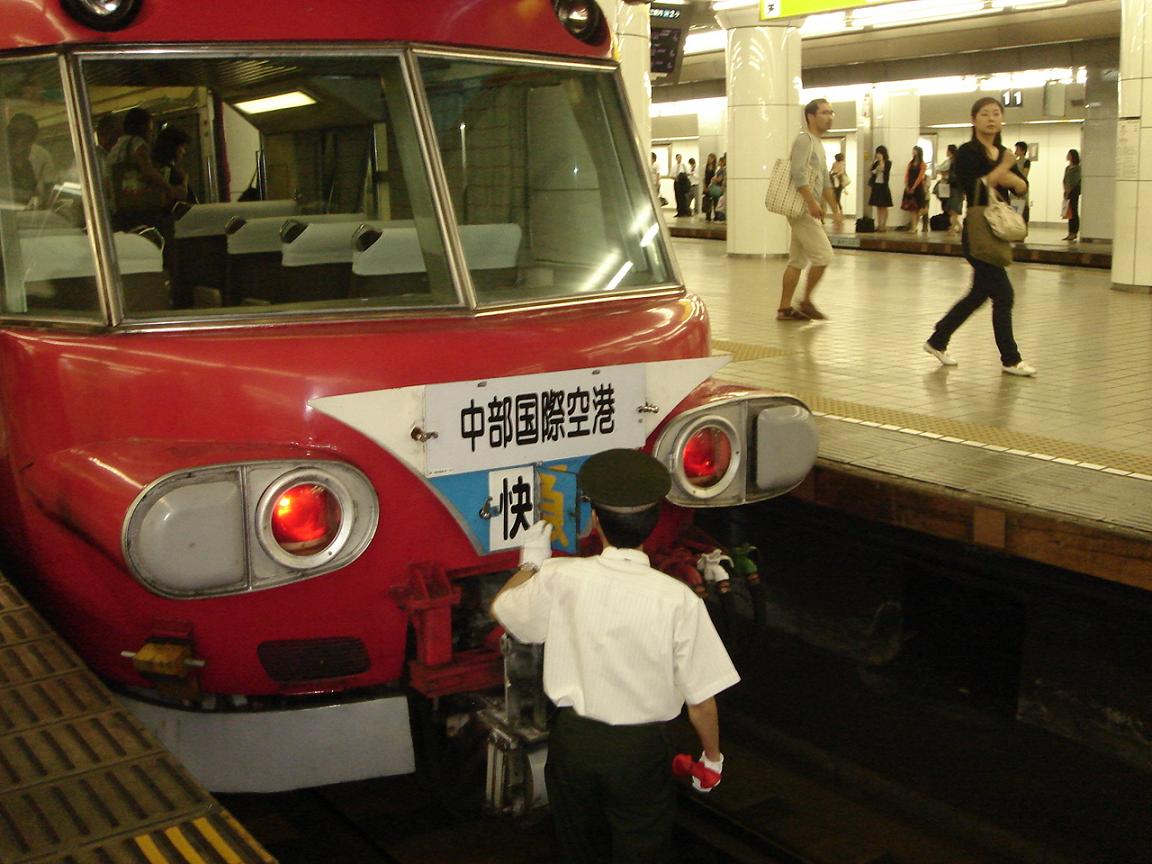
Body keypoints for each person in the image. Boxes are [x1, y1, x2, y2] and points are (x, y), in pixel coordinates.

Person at [491, 448, 739, 864]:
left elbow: (504, 608)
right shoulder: (677, 600)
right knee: (641, 844)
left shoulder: (562, 577)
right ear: (653, 523)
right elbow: (701, 701)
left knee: (577, 844)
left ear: (595, 521)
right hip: (637, 749)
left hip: (573, 741)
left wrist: (532, 563)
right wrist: (712, 759)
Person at [923, 96, 1035, 377]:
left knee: (978, 294)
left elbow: (1021, 186)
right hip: (978, 231)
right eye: (984, 114)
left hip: (997, 229)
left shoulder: (1003, 152)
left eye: (996, 113)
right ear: (974, 120)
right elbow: (975, 186)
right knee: (1004, 295)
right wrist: (1004, 169)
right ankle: (1011, 359)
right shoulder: (968, 152)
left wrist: (1003, 175)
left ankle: (938, 339)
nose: (991, 118)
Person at [776, 99, 842, 321]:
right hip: (803, 208)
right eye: (824, 113)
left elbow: (825, 181)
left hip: (807, 207)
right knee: (824, 255)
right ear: (811, 116)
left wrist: (835, 208)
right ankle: (806, 301)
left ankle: (784, 308)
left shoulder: (818, 143)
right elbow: (798, 173)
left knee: (797, 260)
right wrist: (812, 202)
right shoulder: (804, 140)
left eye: (831, 112)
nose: (830, 117)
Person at [107, 106, 174, 231]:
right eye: (150, 129)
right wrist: (167, 187)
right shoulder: (137, 143)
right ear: (143, 127)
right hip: (138, 209)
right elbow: (147, 170)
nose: (151, 134)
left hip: (119, 209)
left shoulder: (117, 145)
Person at [5, 113, 56, 208]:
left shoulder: (41, 156)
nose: (20, 141)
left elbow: (50, 188)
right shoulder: (3, 156)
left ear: (33, 139)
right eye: (15, 134)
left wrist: (41, 201)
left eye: (26, 135)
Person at [152, 124, 197, 205]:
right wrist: (184, 181)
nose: (184, 152)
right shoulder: (172, 173)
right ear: (174, 148)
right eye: (182, 147)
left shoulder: (156, 170)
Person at [901, 146, 928, 233]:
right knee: (911, 208)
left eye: (915, 151)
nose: (913, 152)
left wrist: (914, 187)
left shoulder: (922, 164)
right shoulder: (910, 163)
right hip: (909, 185)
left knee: (918, 208)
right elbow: (907, 175)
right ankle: (913, 227)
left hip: (918, 188)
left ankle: (915, 226)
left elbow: (920, 177)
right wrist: (906, 185)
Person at [867, 144, 892, 231]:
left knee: (884, 206)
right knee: (878, 206)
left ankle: (884, 224)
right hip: (876, 185)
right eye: (877, 153)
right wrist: (874, 162)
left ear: (883, 154)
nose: (878, 155)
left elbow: (884, 170)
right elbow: (871, 171)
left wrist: (881, 162)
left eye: (879, 153)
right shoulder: (875, 163)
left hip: (884, 186)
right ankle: (879, 224)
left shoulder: (888, 162)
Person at [1063, 148, 1081, 241]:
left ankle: (1074, 232)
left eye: (1069, 154)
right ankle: (1070, 232)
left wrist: (1070, 189)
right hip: (1067, 192)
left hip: (1074, 192)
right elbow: (1065, 179)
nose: (1067, 156)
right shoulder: (1067, 168)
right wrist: (1065, 189)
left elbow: (1076, 180)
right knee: (1069, 212)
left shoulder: (1078, 168)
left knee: (1074, 211)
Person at [1013, 141, 1031, 224]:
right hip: (1013, 188)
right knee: (1015, 211)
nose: (1016, 151)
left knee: (1023, 210)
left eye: (1017, 149)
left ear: (1023, 151)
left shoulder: (1026, 161)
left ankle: (1024, 226)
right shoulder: (1014, 161)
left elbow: (1024, 175)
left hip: (1022, 187)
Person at [702, 152, 718, 222]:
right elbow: (703, 177)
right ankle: (708, 216)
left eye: (711, 158)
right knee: (707, 201)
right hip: (707, 185)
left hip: (714, 186)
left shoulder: (716, 167)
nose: (710, 159)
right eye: (709, 158)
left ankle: (716, 216)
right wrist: (704, 186)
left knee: (715, 201)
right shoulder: (705, 166)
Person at [711, 155, 726, 221]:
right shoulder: (720, 169)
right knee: (716, 202)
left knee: (718, 202)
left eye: (720, 161)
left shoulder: (722, 170)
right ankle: (717, 216)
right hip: (718, 187)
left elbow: (720, 179)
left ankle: (719, 217)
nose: (718, 162)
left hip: (719, 187)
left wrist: (714, 179)